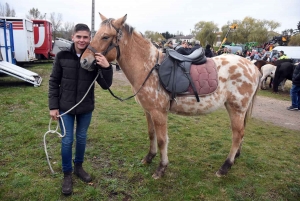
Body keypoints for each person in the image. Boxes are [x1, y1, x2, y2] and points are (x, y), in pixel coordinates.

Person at [48, 23, 113, 195]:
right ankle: (67, 174)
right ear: (73, 37)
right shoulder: (62, 56)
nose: (82, 40)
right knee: (68, 140)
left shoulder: (92, 57)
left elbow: (106, 85)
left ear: (89, 39)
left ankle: (78, 167)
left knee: (82, 138)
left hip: (85, 107)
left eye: (85, 37)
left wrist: (106, 67)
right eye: (79, 37)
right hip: (65, 108)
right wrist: (53, 106)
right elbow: (54, 81)